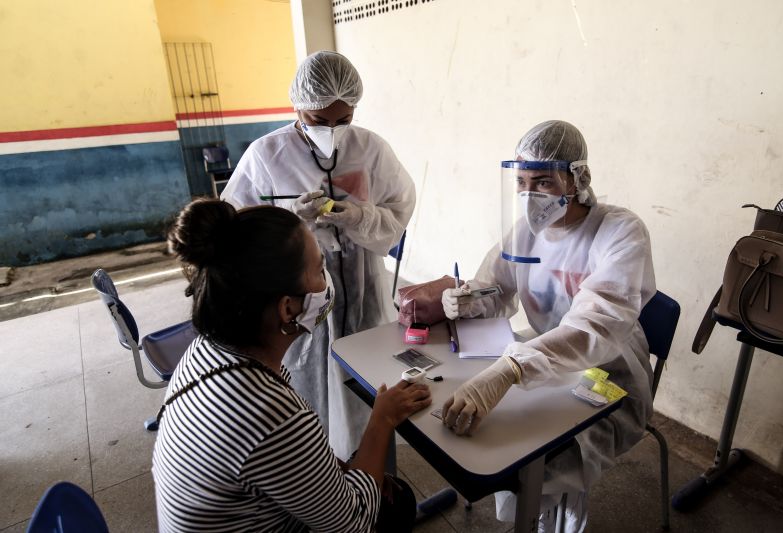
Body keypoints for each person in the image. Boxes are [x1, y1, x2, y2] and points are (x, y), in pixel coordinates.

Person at [152, 199, 430, 532]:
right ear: (287, 309)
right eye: (318, 268)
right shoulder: (270, 414)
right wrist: (382, 418)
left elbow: (293, 463)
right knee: (394, 508)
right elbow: (352, 524)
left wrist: (342, 470)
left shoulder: (207, 352)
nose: (326, 280)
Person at [440, 120, 656, 531]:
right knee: (503, 440)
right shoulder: (525, 233)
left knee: (545, 459)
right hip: (538, 362)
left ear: (578, 178)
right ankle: (530, 518)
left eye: (542, 181)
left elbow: (598, 325)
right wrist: (466, 299)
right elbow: (495, 289)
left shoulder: (620, 231)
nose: (528, 195)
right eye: (521, 182)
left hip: (609, 374)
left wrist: (512, 368)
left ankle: (548, 523)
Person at [221, 51, 415, 460]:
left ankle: (380, 490)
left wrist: (359, 216)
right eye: (318, 121)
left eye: (343, 121)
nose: (332, 130)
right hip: (301, 296)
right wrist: (292, 217)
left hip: (365, 292)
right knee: (310, 395)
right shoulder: (265, 155)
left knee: (371, 389)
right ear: (297, 106)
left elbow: (399, 212)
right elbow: (236, 226)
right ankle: (322, 486)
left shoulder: (371, 149)